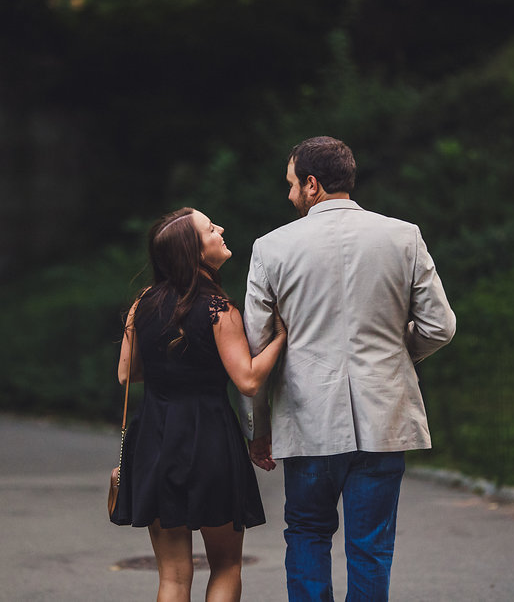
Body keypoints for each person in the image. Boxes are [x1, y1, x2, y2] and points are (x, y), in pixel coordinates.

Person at [237, 136, 456, 601]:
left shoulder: (271, 248)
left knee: (308, 534)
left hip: (307, 416)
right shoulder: (403, 236)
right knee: (371, 546)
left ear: (312, 185)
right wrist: (394, 358)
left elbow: (256, 347)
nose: (290, 194)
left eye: (293, 184)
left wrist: (258, 427)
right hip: (384, 416)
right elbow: (440, 326)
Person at [112, 207, 287, 602]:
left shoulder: (144, 304)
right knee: (226, 565)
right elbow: (247, 378)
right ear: (194, 252)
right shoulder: (218, 310)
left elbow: (127, 375)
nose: (221, 229)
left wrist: (170, 366)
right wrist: (281, 336)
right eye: (211, 228)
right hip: (210, 440)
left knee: (172, 577)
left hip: (155, 440)